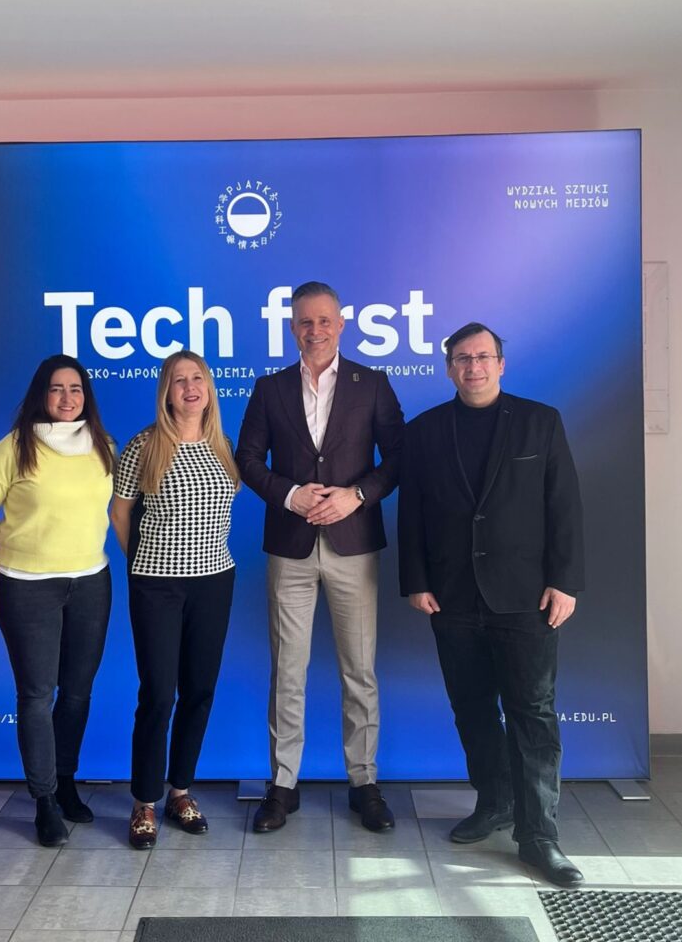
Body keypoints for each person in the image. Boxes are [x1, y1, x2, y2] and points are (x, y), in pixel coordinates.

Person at [398, 321, 585, 887]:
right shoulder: (425, 430)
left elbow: (564, 505)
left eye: (482, 357)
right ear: (448, 368)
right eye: (462, 358)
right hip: (452, 596)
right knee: (473, 709)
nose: (473, 366)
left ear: (501, 364)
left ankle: (539, 836)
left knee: (533, 713)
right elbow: (412, 511)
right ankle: (495, 802)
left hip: (527, 597)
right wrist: (416, 580)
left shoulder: (540, 421)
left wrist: (566, 581)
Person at [236, 281, 404, 833]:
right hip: (290, 548)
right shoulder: (269, 388)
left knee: (360, 671)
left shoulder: (371, 384)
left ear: (341, 324)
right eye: (305, 322)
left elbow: (398, 458)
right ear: (292, 328)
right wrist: (290, 495)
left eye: (325, 320)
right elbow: (247, 459)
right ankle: (283, 786)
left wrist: (356, 495)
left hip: (354, 546)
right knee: (288, 671)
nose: (316, 330)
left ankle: (364, 783)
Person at [0, 355, 114, 847]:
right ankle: (44, 801)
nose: (67, 398)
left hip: (90, 583)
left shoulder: (103, 446)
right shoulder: (11, 449)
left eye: (76, 389)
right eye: (56, 389)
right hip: (28, 588)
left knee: (77, 693)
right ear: (40, 395)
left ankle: (66, 783)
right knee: (36, 695)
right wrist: (20, 557)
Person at [111, 349, 239, 850]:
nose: (190, 387)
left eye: (197, 378)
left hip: (214, 580)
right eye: (179, 380)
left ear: (208, 388)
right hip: (156, 584)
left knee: (200, 689)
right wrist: (144, 564)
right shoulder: (144, 446)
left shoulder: (223, 445)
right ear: (166, 391)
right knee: (159, 694)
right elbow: (120, 513)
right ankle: (144, 800)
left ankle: (180, 792)